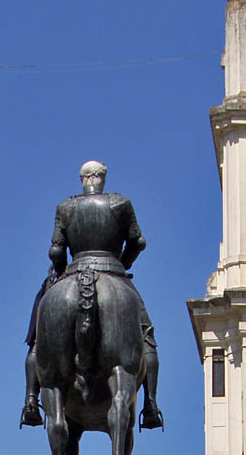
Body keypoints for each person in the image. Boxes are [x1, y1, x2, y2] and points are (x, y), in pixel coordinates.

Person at [19, 159, 163, 432]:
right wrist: (123, 263)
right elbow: (138, 241)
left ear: (83, 180)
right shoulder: (121, 203)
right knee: (147, 340)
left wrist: (62, 273)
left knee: (37, 343)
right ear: (102, 179)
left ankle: (30, 399)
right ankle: (151, 405)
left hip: (72, 272)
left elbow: (56, 251)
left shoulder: (66, 207)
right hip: (114, 272)